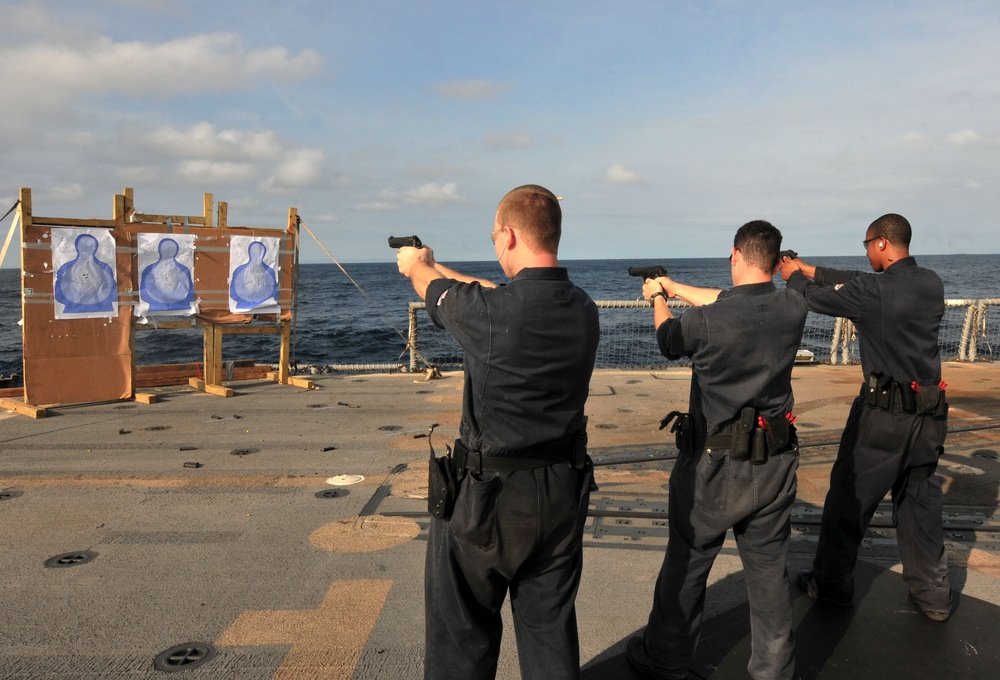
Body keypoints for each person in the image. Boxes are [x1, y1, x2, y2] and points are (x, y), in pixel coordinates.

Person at [395, 184, 600, 680]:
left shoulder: (489, 313)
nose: (493, 245)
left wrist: (416, 261)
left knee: (460, 637)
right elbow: (486, 293)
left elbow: (430, 285)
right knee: (549, 630)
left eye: (493, 237)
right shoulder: (584, 308)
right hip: (560, 490)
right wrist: (442, 266)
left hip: (487, 501)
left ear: (508, 235)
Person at [627, 220, 807, 680]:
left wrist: (657, 298)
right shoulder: (792, 304)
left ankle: (666, 660)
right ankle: (774, 671)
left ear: (734, 256)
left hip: (714, 467)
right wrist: (671, 283)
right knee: (769, 577)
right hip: (775, 463)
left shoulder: (706, 323)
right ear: (771, 259)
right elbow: (732, 300)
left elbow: (669, 340)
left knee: (687, 567)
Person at [779, 213, 952, 621]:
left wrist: (792, 276)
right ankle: (934, 598)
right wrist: (811, 268)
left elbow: (816, 299)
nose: (865, 251)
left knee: (847, 503)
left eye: (866, 244)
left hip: (883, 420)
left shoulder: (872, 293)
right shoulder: (931, 283)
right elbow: (861, 280)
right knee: (919, 505)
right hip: (928, 419)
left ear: (880, 244)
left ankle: (831, 585)